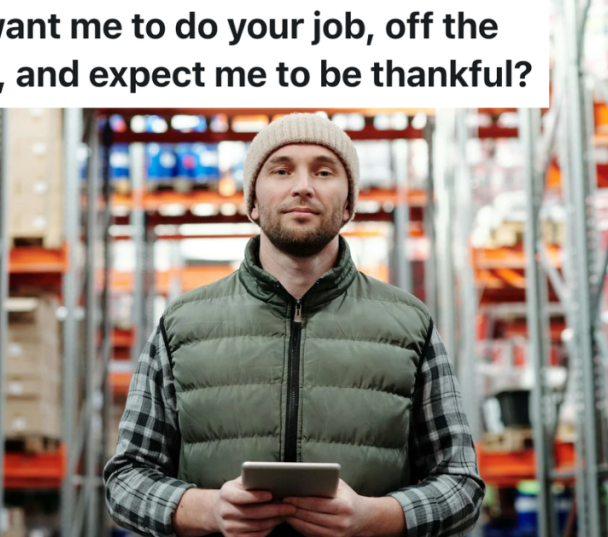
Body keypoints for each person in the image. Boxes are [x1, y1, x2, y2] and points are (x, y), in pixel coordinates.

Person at [104, 113, 484, 537]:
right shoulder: (182, 325)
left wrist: (373, 517)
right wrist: (207, 509)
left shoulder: (408, 323)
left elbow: (462, 483)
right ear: (252, 201)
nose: (302, 185)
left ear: (348, 204)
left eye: (324, 171)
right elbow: (125, 479)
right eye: (281, 170)